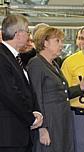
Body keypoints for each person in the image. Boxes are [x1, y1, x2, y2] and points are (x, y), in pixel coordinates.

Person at [27, 26, 84, 152]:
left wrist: (80, 88)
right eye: (58, 41)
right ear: (45, 43)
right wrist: (42, 128)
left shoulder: (54, 64)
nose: (62, 45)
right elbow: (35, 97)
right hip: (50, 122)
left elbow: (61, 93)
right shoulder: (36, 64)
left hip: (61, 120)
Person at [0, 14, 43, 152]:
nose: (29, 37)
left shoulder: (13, 57)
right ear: (18, 34)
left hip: (16, 133)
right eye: (27, 32)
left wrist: (36, 111)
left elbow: (25, 90)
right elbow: (10, 93)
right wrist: (30, 118)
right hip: (8, 134)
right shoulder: (2, 57)